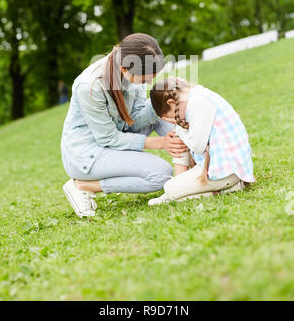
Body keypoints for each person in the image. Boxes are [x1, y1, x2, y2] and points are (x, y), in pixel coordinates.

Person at [61, 34, 188, 218]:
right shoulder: (89, 86)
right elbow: (108, 138)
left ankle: (191, 164)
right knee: (162, 176)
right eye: (144, 80)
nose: (147, 83)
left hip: (121, 132)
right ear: (124, 69)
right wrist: (160, 143)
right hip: (89, 153)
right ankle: (82, 185)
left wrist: (164, 97)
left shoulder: (130, 66)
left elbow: (135, 118)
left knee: (161, 107)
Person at [148, 77, 255, 205]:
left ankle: (231, 186)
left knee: (170, 188)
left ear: (171, 103)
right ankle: (221, 190)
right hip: (225, 168)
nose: (175, 121)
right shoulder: (195, 96)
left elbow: (197, 146)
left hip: (227, 171)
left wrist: (179, 128)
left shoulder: (197, 103)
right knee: (174, 190)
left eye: (172, 117)